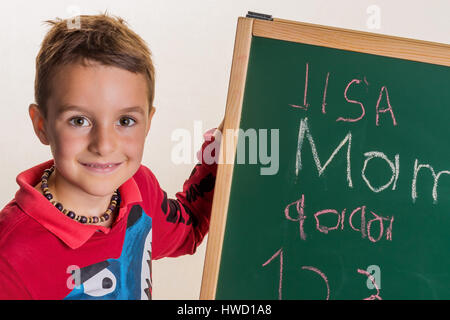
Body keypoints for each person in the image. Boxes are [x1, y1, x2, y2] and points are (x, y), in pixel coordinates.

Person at [0, 13, 222, 299]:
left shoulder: (139, 188)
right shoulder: (10, 259)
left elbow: (189, 226)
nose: (104, 145)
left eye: (125, 121)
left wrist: (221, 152)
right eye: (79, 121)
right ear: (41, 125)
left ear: (148, 123)